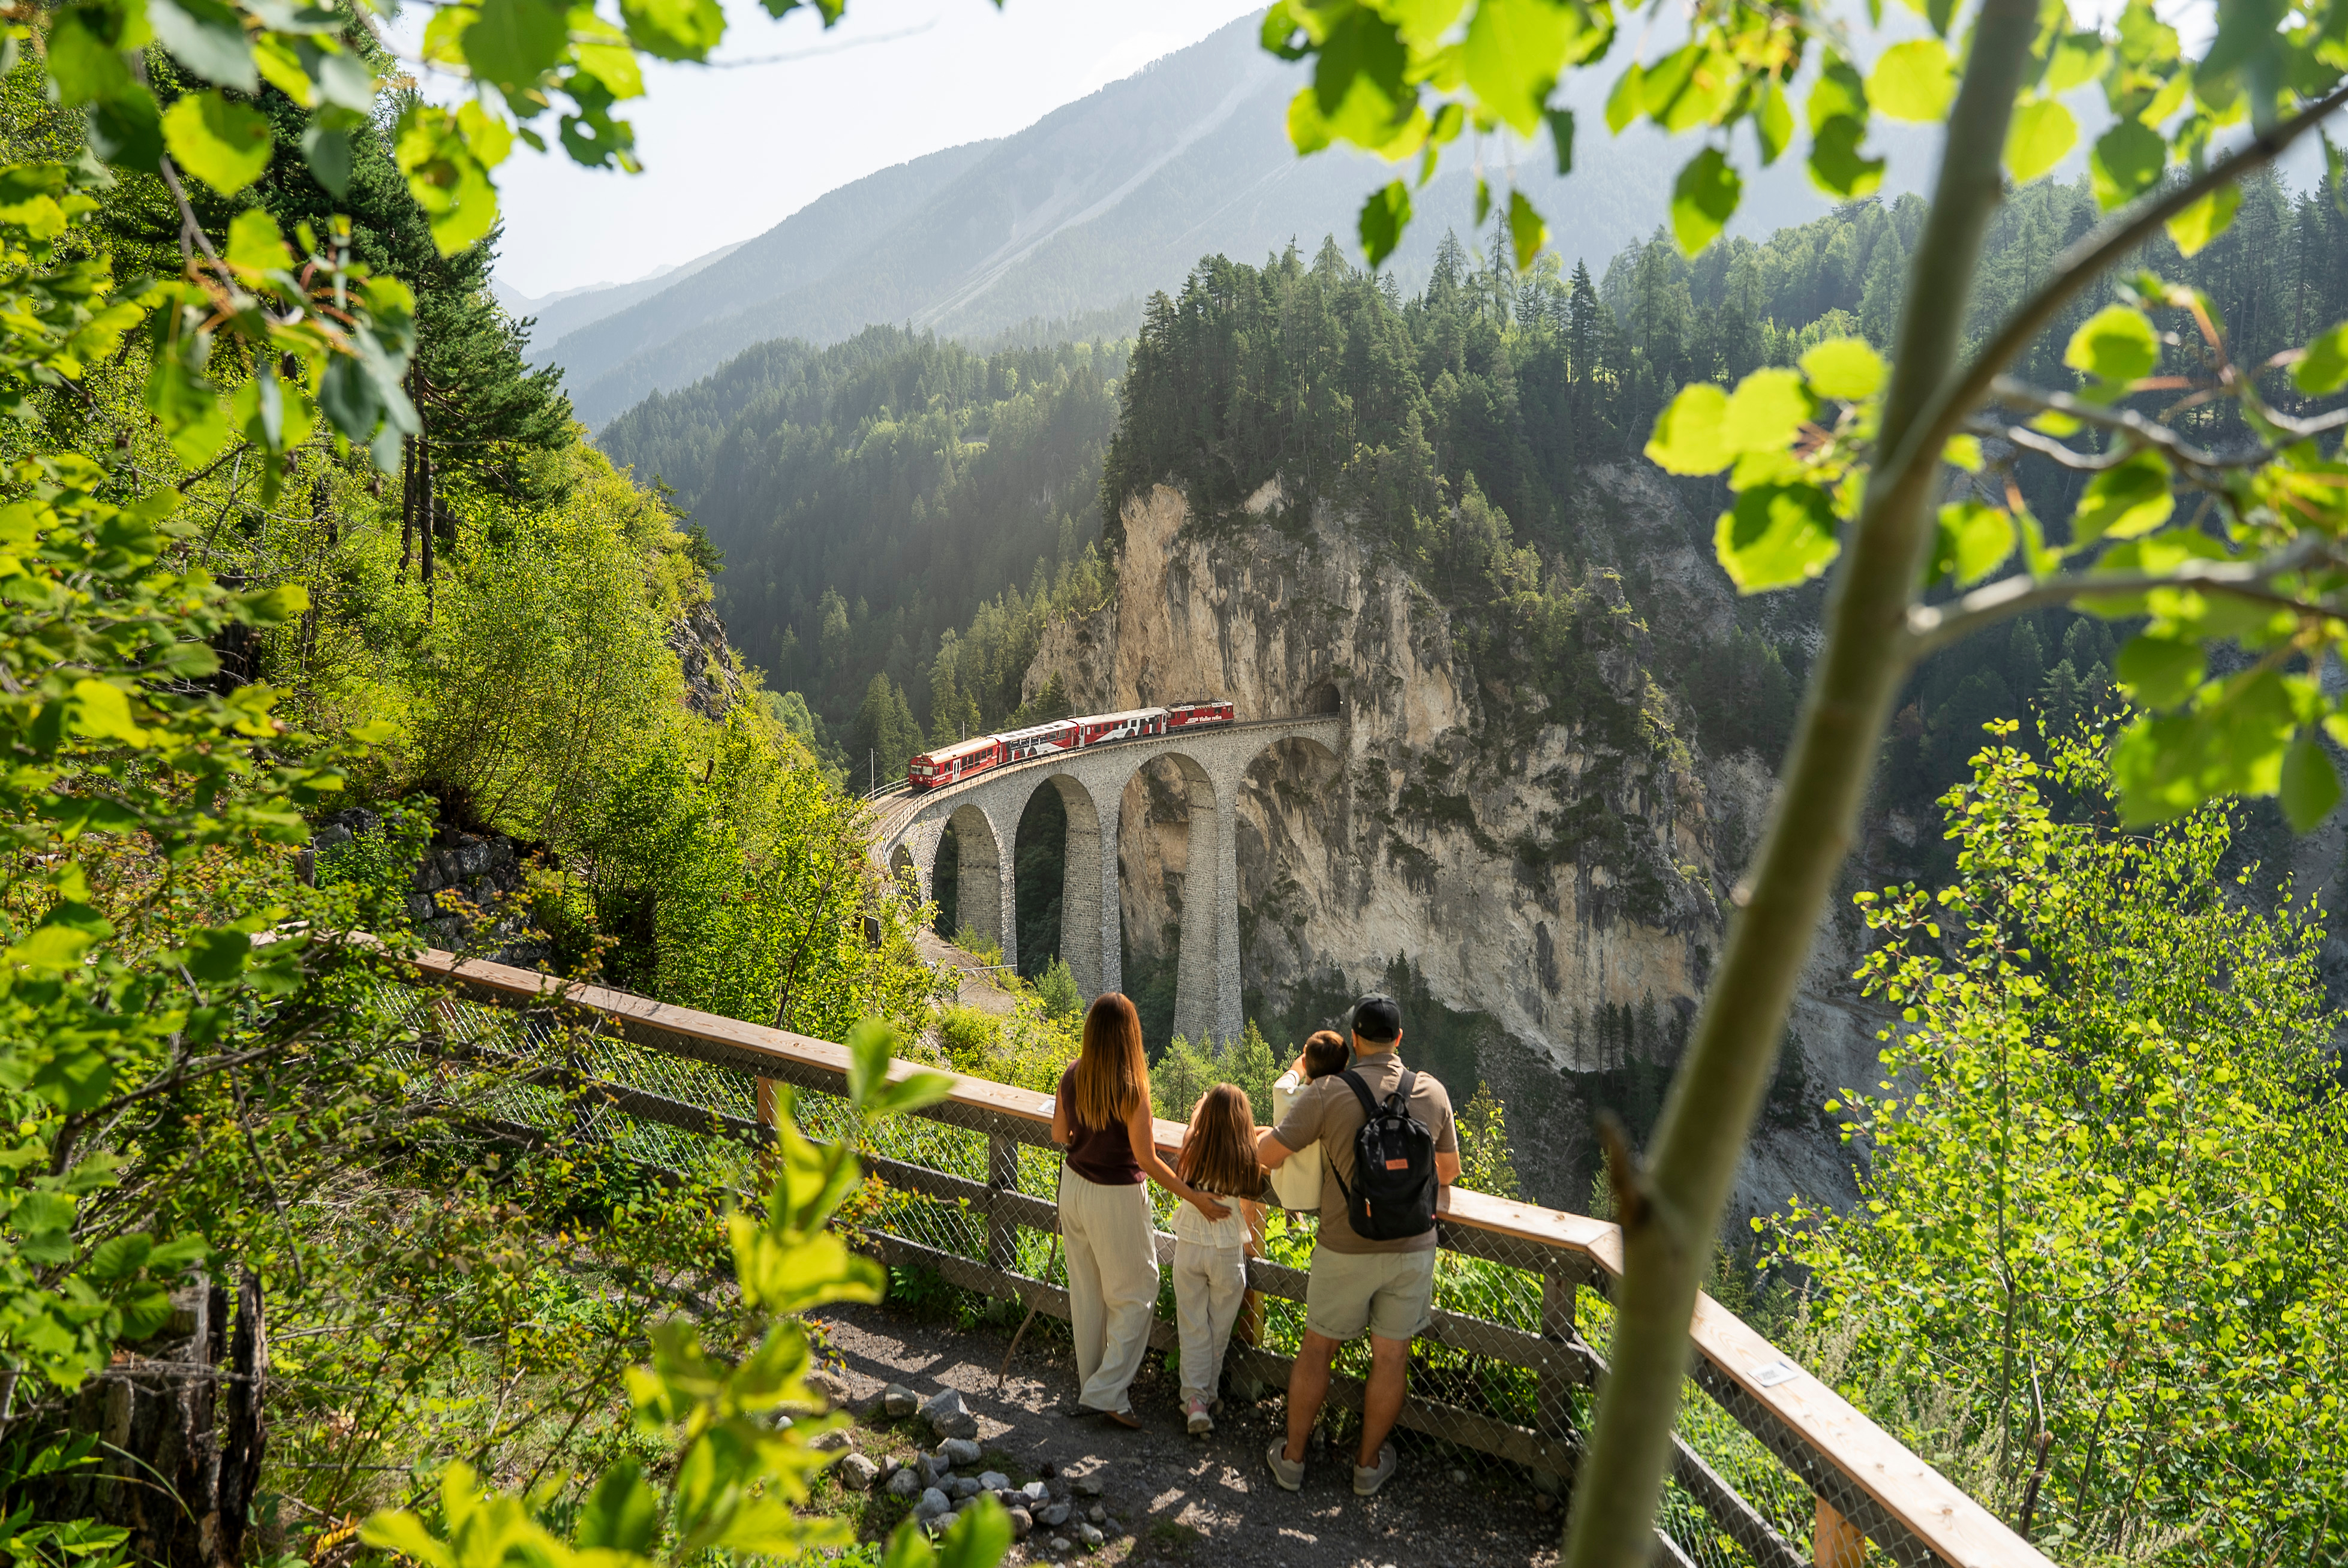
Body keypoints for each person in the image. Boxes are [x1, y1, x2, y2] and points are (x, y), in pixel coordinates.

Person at [1256, 993, 1459, 1497]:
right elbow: (1449, 1171)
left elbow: (1267, 1153)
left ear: (1354, 1039)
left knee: (1318, 1348)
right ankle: (1367, 1467)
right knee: (1390, 1359)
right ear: (1399, 1039)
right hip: (1412, 1246)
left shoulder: (1329, 1091)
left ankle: (1292, 1459)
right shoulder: (1431, 1091)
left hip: (1345, 1244)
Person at [1051, 992, 1230, 1428]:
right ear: (1131, 1035)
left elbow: (1060, 1132)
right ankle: (1107, 1391)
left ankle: (1093, 1383)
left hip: (1073, 1186)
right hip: (1114, 1195)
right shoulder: (1132, 1089)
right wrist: (1195, 1198)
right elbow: (1148, 1160)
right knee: (1138, 1290)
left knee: (1088, 1290)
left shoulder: (1073, 1073)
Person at [1170, 1084, 1268, 1437]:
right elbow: (1268, 1134)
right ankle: (1203, 1399)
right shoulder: (1246, 1159)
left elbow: (1195, 1126)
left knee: (1193, 1326)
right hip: (1227, 1252)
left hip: (1191, 1247)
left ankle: (1196, 1400)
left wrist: (1202, 1107)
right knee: (1218, 1329)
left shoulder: (1193, 1149)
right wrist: (1249, 1131)